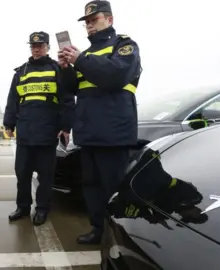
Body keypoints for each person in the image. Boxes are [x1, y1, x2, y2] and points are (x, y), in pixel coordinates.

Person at [57, 0, 142, 244]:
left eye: (94, 20)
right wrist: (65, 69)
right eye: (87, 23)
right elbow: (73, 88)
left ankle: (119, 235)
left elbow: (115, 75)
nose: (90, 26)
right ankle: (98, 230)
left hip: (113, 132)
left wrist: (79, 60)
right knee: (91, 187)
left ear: (109, 20)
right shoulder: (87, 54)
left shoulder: (125, 45)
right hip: (89, 132)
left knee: (112, 187)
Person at [4, 31, 74, 226]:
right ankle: (23, 207)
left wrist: (66, 126)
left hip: (47, 132)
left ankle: (42, 209)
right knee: (22, 174)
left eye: (40, 45)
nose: (36, 49)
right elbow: (13, 99)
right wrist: (9, 123)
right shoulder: (21, 72)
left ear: (48, 47)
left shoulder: (56, 69)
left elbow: (67, 99)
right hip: (25, 132)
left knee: (46, 176)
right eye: (33, 46)